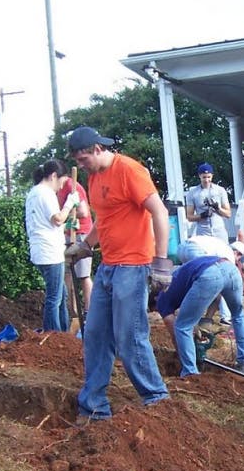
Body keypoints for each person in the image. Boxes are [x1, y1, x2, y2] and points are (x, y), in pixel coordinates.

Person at [64, 126, 172, 416]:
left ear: (98, 149)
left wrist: (161, 262)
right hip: (109, 266)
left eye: (84, 159)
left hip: (133, 265)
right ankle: (95, 406)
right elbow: (105, 218)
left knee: (130, 336)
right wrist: (86, 245)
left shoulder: (129, 171)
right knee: (96, 333)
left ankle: (156, 400)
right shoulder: (95, 175)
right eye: (78, 161)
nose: (81, 165)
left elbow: (159, 212)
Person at [155, 245, 244, 377]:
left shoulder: (161, 299)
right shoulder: (175, 279)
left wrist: (181, 353)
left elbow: (174, 329)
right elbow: (216, 293)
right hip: (230, 269)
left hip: (209, 274)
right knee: (238, 315)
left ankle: (190, 371)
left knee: (182, 327)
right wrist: (207, 318)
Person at [25, 160, 77, 332]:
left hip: (41, 250)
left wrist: (68, 226)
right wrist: (70, 203)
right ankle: (53, 335)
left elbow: (51, 222)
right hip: (50, 252)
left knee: (62, 294)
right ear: (54, 176)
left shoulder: (33, 193)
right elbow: (58, 219)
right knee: (54, 298)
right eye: (61, 182)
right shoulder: (45, 193)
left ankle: (63, 332)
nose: (61, 187)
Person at [59, 167, 93, 320]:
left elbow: (84, 212)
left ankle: (89, 311)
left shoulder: (73, 187)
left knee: (83, 275)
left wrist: (66, 215)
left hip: (80, 234)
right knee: (68, 275)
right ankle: (70, 311)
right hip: (67, 235)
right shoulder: (59, 189)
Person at [184, 163, 230, 241]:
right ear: (199, 176)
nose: (206, 180)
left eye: (209, 177)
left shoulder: (220, 190)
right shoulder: (192, 193)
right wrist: (202, 215)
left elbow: (228, 214)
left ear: (212, 176)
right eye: (204, 177)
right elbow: (189, 217)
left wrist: (218, 208)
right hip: (203, 232)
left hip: (219, 231)